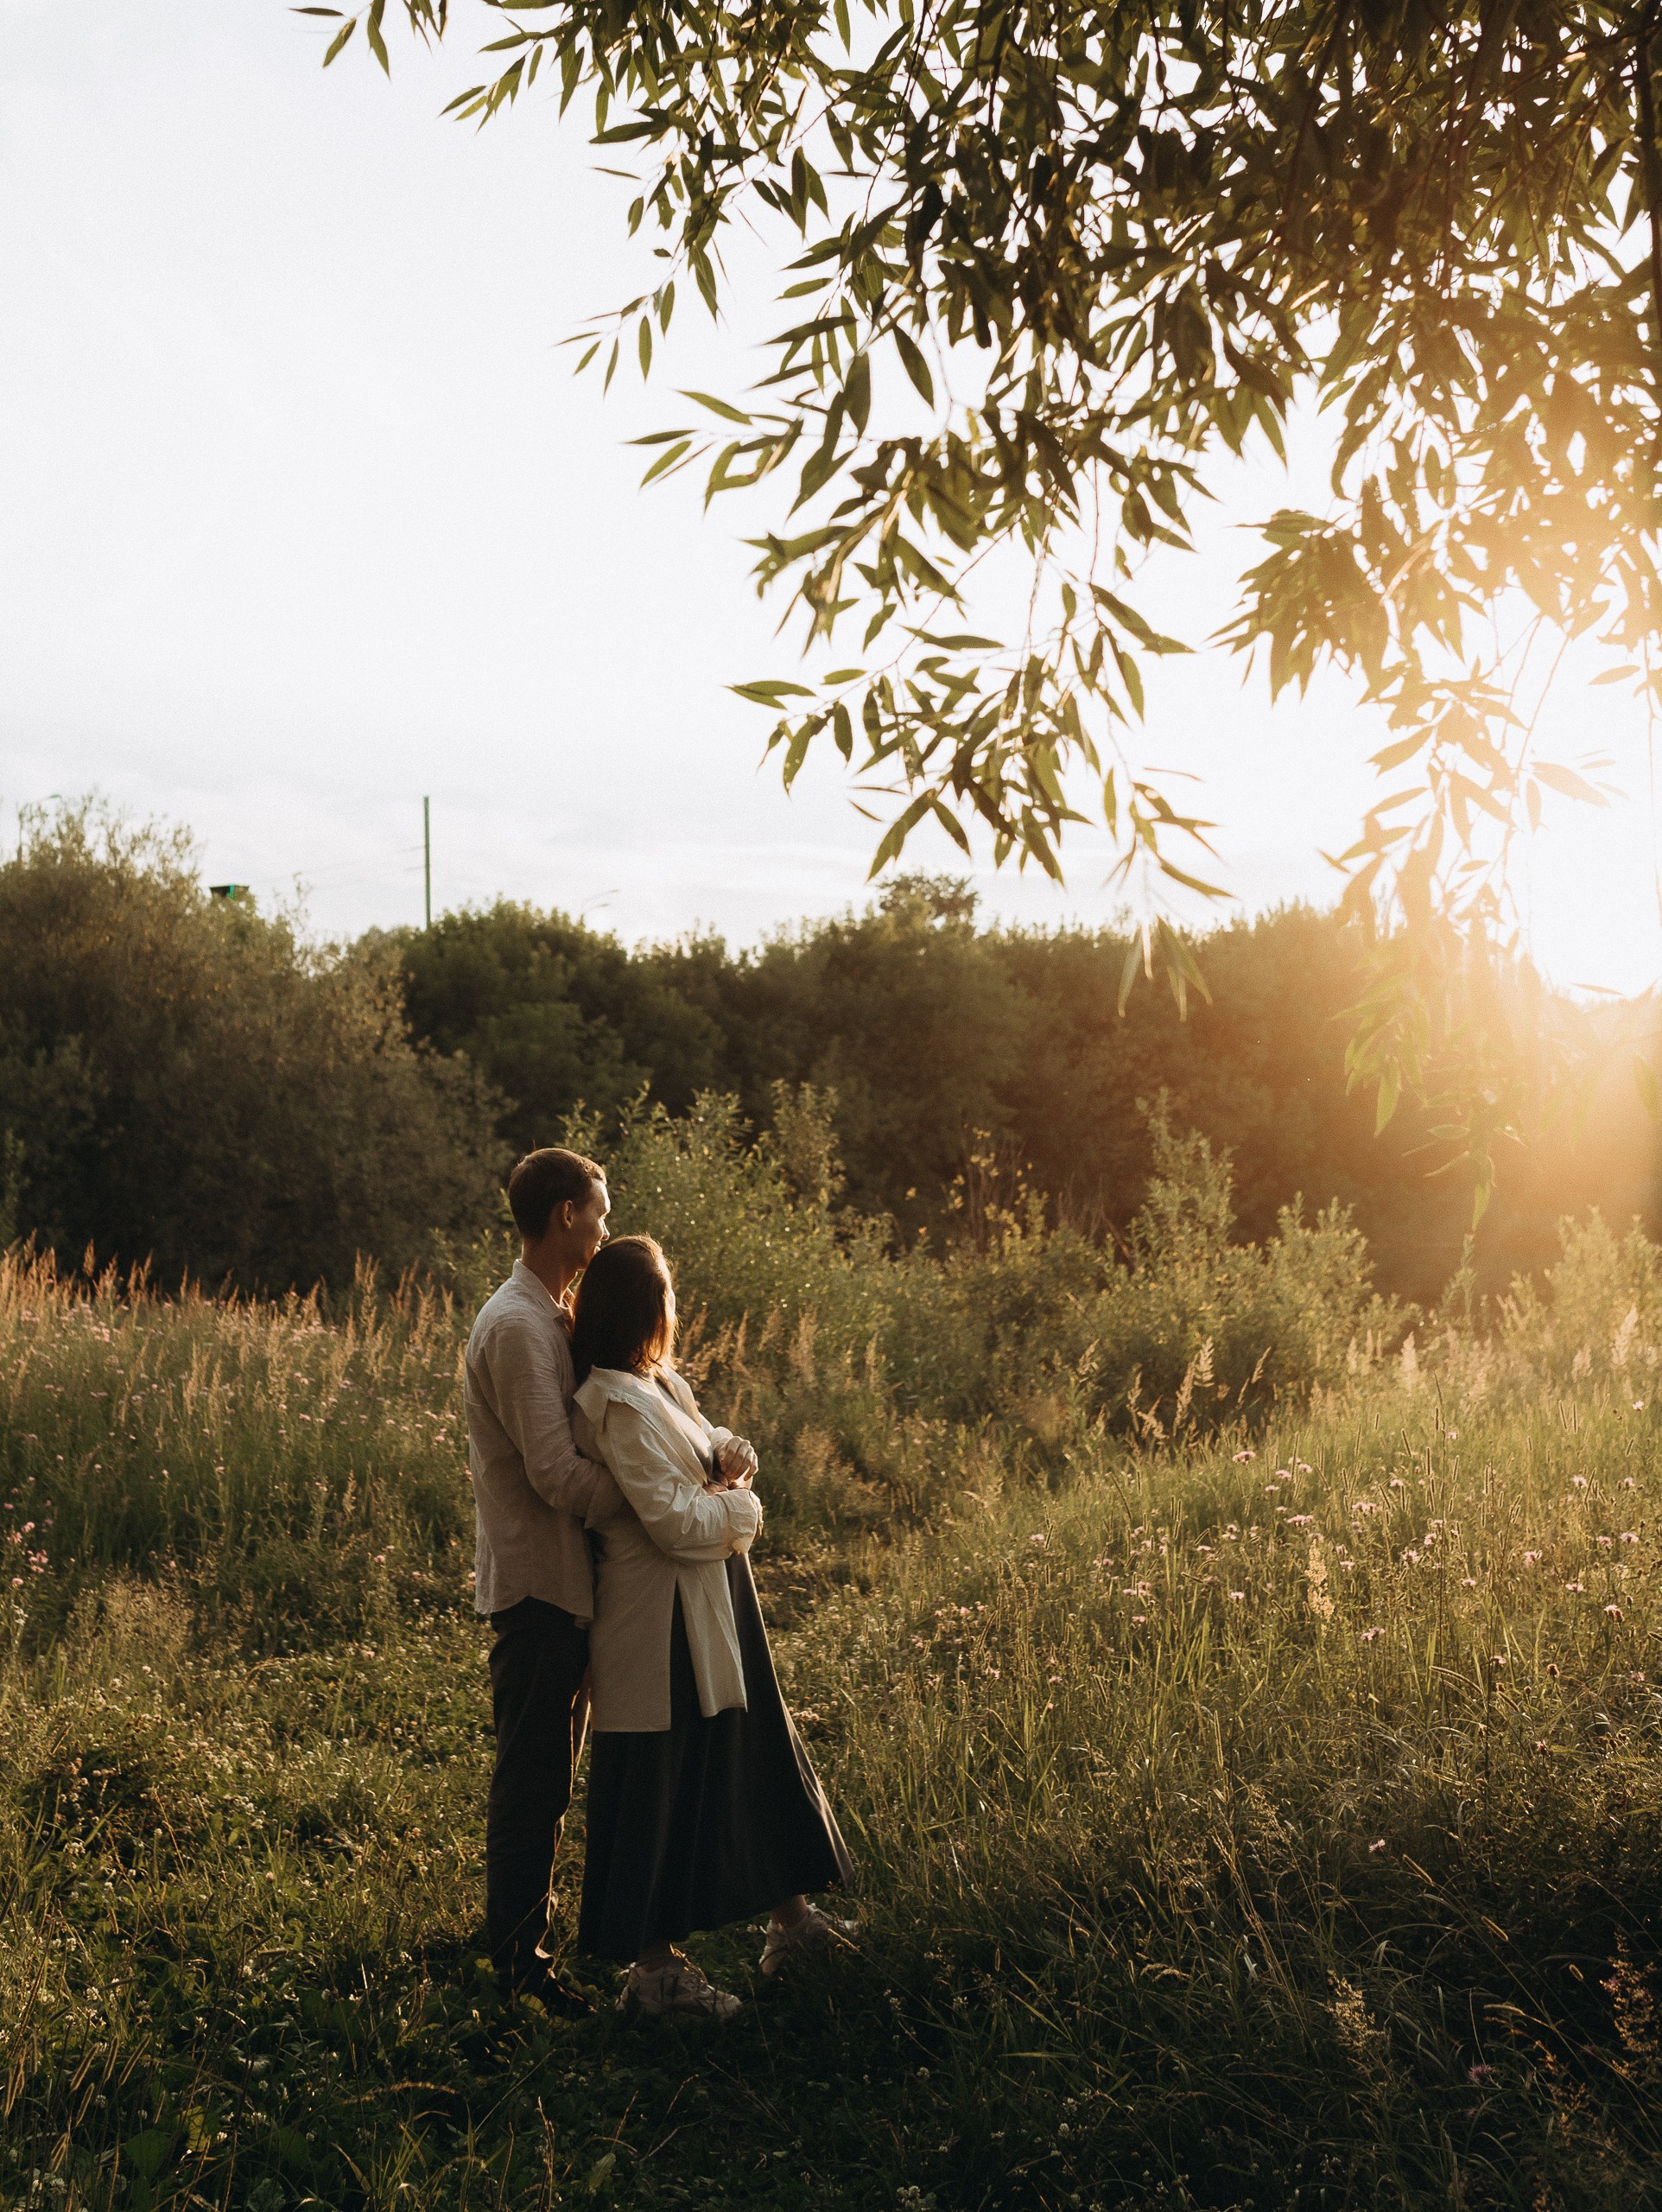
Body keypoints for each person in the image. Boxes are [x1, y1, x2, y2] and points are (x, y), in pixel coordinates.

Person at [569, 1234, 856, 2020]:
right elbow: (669, 1520)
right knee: (660, 1779)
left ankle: (791, 1924)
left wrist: (726, 1450)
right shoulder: (613, 1402)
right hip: (657, 1618)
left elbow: (699, 1448)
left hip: (713, 1600)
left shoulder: (656, 1382)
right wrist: (742, 1507)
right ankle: (653, 1977)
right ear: (642, 1306)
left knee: (748, 1751)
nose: (674, 1307)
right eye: (666, 1294)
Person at [463, 1146, 621, 2012]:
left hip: (561, 1585)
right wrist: (651, 1503)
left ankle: (522, 1947)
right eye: (597, 1209)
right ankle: (518, 1969)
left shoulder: (547, 1316)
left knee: (545, 1776)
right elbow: (557, 1474)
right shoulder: (518, 1327)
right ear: (565, 1214)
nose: (604, 1224)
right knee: (532, 1780)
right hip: (536, 1591)